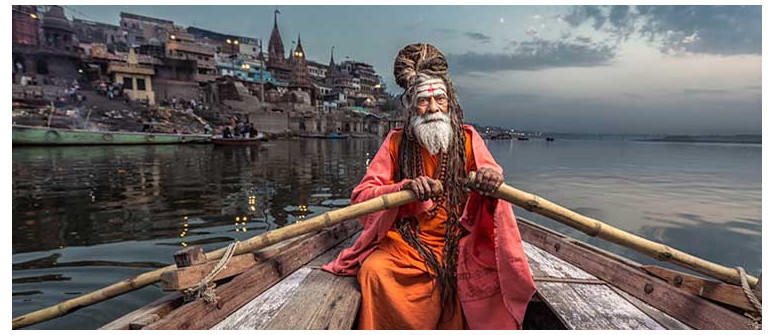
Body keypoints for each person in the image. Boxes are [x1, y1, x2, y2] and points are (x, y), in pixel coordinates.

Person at [322, 44, 535, 330]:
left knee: (494, 273)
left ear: (450, 102)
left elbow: (491, 170)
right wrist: (404, 190)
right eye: (424, 100)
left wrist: (490, 177)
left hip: (459, 241)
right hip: (406, 244)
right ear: (410, 106)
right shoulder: (397, 142)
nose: (433, 108)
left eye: (440, 99)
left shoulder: (468, 139)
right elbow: (361, 199)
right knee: (374, 271)